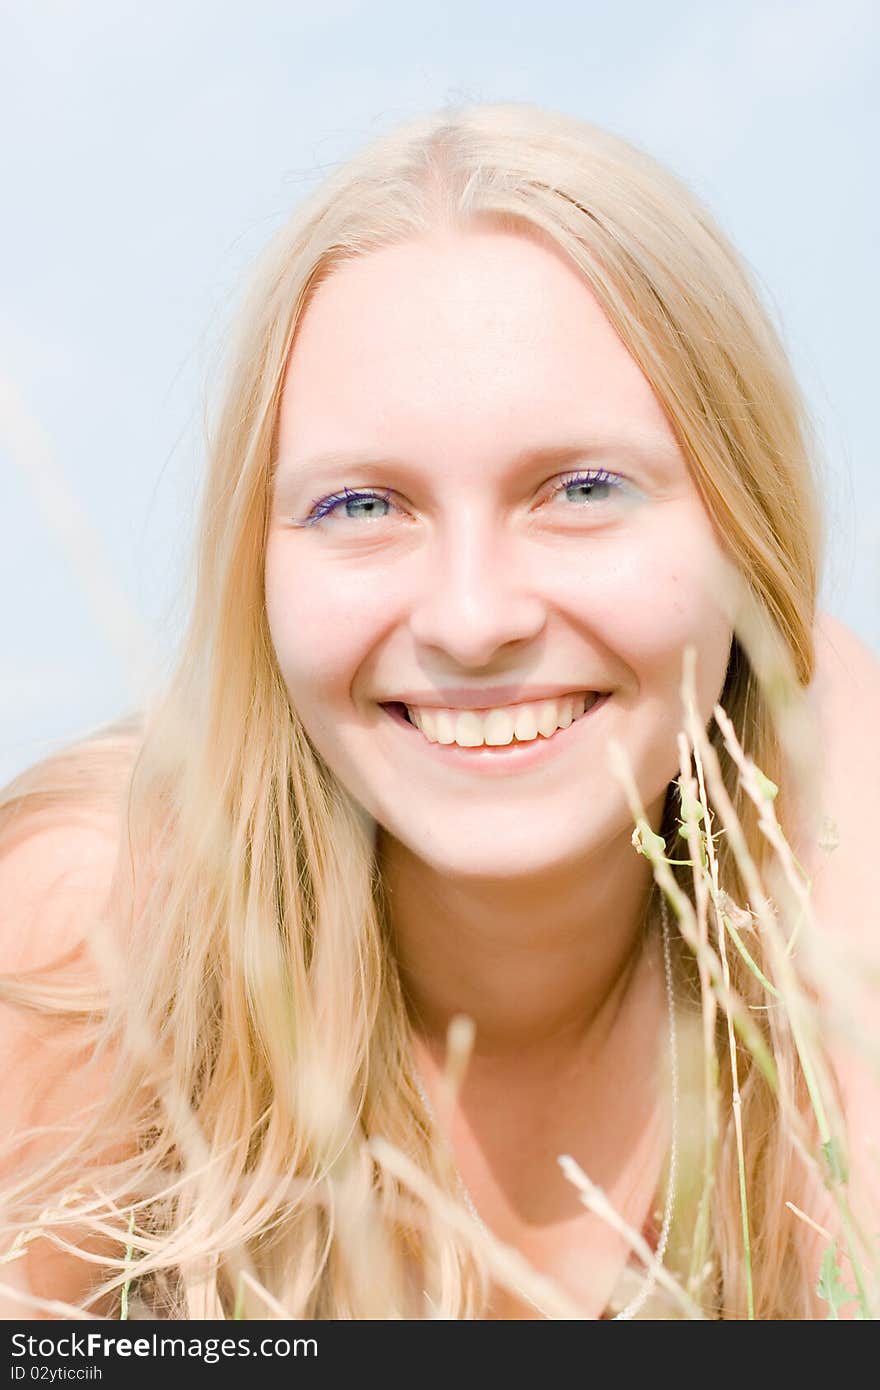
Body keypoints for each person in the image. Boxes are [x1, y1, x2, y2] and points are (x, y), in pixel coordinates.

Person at [1, 101, 878, 1322]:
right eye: (362, 506)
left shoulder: (837, 880)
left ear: (747, 524)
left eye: (580, 488)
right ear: (256, 562)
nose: (470, 620)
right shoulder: (91, 939)